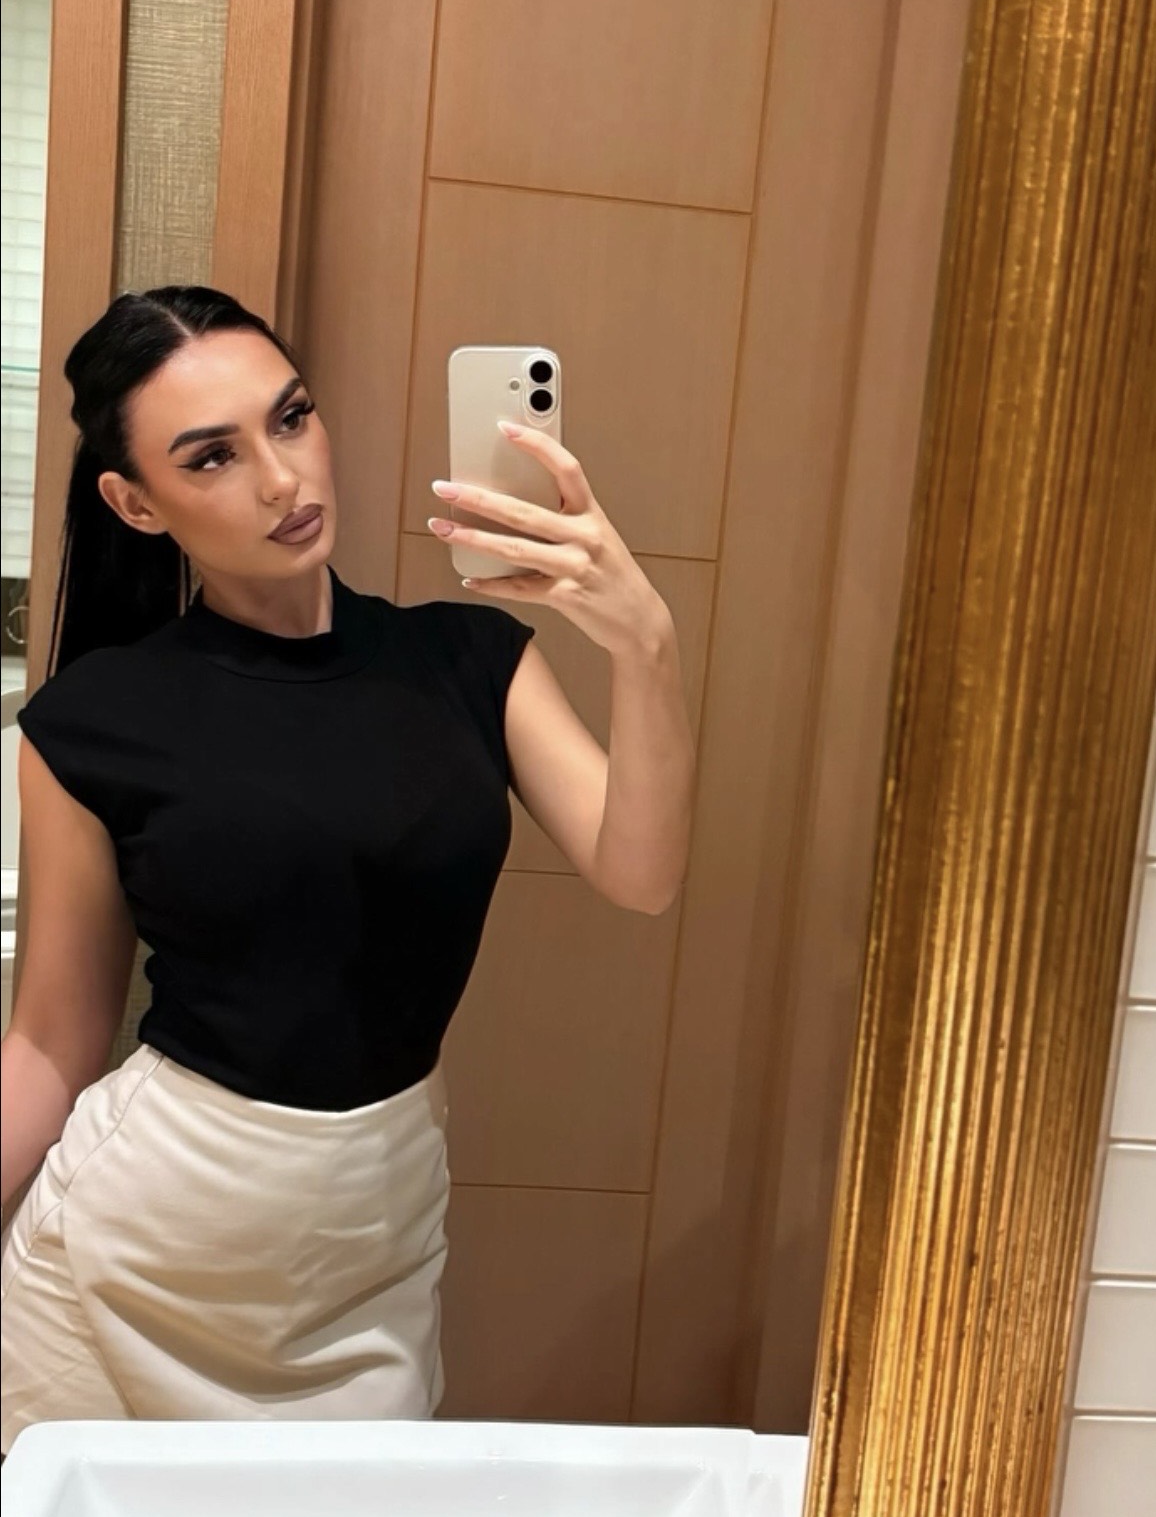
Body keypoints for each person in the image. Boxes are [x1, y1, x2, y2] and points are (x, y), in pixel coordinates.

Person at [0, 286, 693, 1451]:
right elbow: (50, 1042)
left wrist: (647, 643)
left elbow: (643, 872)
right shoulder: (93, 720)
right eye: (212, 456)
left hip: (371, 1244)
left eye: (292, 417)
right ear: (135, 501)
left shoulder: (467, 659)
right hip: (135, 1256)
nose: (282, 478)